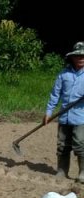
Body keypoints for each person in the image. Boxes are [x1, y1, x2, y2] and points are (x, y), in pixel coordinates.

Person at [44, 42, 84, 182]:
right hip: (64, 117)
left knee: (79, 144)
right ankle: (61, 171)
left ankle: (82, 173)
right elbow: (55, 94)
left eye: (83, 56)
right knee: (62, 145)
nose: (81, 58)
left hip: (81, 118)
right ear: (72, 57)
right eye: (78, 56)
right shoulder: (64, 74)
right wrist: (49, 112)